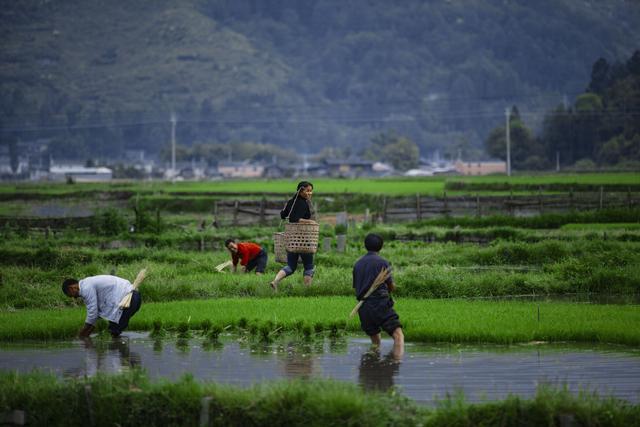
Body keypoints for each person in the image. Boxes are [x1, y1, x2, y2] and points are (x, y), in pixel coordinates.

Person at [353, 233, 404, 358]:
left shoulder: (357, 264)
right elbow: (391, 285)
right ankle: (396, 362)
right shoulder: (382, 262)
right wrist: (391, 290)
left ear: (365, 246)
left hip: (363, 307)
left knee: (375, 341)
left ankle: (372, 367)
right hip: (380, 304)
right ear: (381, 247)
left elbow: (356, 287)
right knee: (398, 335)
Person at [270, 181, 316, 291]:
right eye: (307, 190)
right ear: (301, 191)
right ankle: (307, 290)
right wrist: (310, 222)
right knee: (309, 266)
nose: (309, 193)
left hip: (291, 239)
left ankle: (275, 281)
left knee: (291, 266)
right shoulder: (302, 203)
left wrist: (286, 208)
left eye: (311, 191)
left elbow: (283, 215)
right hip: (303, 239)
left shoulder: (291, 201)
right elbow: (296, 219)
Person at [62, 275, 142, 338]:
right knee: (114, 328)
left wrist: (81, 336)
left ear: (71, 288)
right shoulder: (87, 284)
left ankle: (122, 354)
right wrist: (88, 331)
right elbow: (95, 314)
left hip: (128, 299)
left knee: (113, 331)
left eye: (71, 295)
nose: (74, 298)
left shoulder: (86, 288)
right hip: (133, 298)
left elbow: (93, 312)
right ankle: (126, 356)